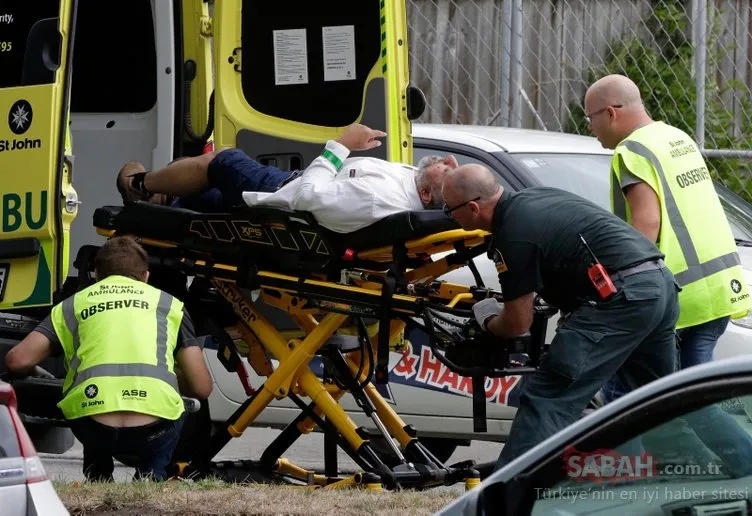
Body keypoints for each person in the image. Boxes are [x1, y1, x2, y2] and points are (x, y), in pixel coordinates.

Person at [441, 163, 680, 471]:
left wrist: (487, 317)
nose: (450, 216)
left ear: (473, 208)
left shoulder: (512, 234)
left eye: (449, 210)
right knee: (665, 401)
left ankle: (506, 494)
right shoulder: (537, 197)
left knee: (547, 398)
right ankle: (727, 471)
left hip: (621, 298)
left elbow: (517, 323)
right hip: (659, 283)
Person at [584, 74, 751, 402]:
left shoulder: (632, 152)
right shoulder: (676, 138)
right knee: (695, 403)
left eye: (591, 118)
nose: (591, 127)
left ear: (611, 113)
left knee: (632, 399)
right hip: (717, 290)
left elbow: (647, 223)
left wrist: (614, 281)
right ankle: (717, 453)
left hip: (677, 298)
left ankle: (728, 452)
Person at [4, 236, 213, 482]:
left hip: (93, 427)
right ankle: (151, 476)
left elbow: (17, 360)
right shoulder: (169, 305)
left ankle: (98, 474)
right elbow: (202, 388)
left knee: (86, 397)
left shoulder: (74, 304)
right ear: (146, 276)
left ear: (96, 275)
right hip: (153, 430)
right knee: (179, 411)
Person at [117, 123, 457, 234]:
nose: (448, 161)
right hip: (294, 183)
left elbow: (307, 198)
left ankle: (139, 185)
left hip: (284, 193)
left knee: (222, 160)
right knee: (205, 200)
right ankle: (163, 201)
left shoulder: (379, 199)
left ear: (427, 195)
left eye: (450, 171)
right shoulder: (416, 185)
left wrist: (341, 146)